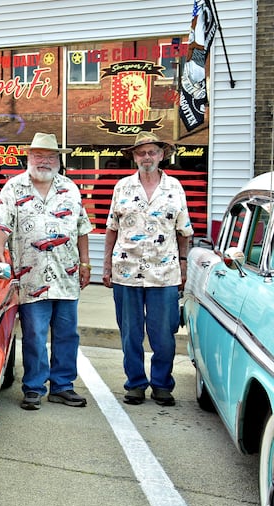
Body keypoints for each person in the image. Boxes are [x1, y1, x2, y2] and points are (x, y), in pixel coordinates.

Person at [0, 132, 93, 410]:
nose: (44, 161)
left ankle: (62, 386)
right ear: (29, 158)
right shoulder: (13, 188)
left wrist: (85, 262)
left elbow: (82, 228)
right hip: (30, 275)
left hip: (66, 274)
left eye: (50, 156)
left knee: (67, 334)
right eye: (39, 156)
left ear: (58, 160)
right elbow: (1, 225)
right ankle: (34, 387)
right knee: (34, 333)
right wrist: (0, 253)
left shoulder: (70, 187)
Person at [102, 132, 193, 407]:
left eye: (152, 152)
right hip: (126, 271)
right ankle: (136, 384)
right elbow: (111, 229)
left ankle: (162, 385)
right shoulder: (122, 187)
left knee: (164, 333)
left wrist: (184, 264)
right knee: (130, 332)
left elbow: (184, 231)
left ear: (161, 155)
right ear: (134, 157)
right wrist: (106, 264)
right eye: (141, 153)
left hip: (164, 273)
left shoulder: (174, 187)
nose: (147, 157)